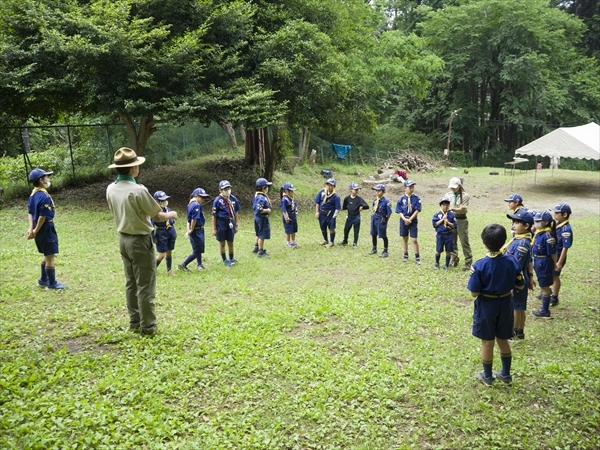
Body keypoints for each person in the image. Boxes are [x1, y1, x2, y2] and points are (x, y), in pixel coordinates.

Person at [106, 147, 178, 336]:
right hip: (140, 241)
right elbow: (158, 215)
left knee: (131, 283)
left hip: (123, 240)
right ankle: (148, 327)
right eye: (136, 165)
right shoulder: (138, 190)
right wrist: (172, 214)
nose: (138, 167)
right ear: (132, 169)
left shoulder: (111, 188)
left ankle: (135, 322)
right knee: (145, 285)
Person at [468, 224, 524, 386]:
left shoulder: (479, 265)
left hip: (486, 306)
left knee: (487, 341)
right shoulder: (512, 261)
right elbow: (520, 285)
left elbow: (474, 293)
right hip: (506, 304)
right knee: (503, 339)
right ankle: (506, 374)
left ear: (484, 242)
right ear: (504, 240)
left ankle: (487, 376)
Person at [27, 168, 67, 290]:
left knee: (46, 253)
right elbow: (42, 216)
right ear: (41, 180)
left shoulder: (33, 194)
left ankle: (43, 280)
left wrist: (31, 228)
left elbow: (30, 212)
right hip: (45, 228)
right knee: (50, 256)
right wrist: (36, 230)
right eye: (46, 177)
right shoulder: (44, 196)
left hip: (39, 229)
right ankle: (52, 283)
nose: (48, 179)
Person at [503, 208, 535, 340]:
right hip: (522, 277)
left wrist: (511, 284)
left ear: (526, 226)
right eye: (513, 222)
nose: (513, 225)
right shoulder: (522, 239)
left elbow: (516, 266)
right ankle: (520, 332)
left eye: (517, 222)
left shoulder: (522, 243)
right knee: (520, 306)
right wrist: (531, 276)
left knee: (516, 307)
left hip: (516, 279)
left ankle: (514, 331)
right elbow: (530, 260)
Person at [530, 211, 557, 318]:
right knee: (543, 283)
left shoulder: (547, 236)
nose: (534, 224)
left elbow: (553, 253)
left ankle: (545, 311)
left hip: (544, 262)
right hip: (537, 260)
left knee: (544, 286)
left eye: (537, 221)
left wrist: (555, 264)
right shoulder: (539, 233)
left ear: (545, 222)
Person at [178, 188, 210, 272]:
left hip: (196, 230)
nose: (203, 199)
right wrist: (191, 230)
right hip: (197, 230)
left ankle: (200, 265)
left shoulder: (190, 204)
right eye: (202, 197)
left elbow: (188, 220)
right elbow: (193, 219)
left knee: (198, 249)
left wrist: (188, 230)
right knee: (197, 251)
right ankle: (183, 265)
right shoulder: (196, 205)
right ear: (196, 196)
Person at [445, 177, 472, 271]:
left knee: (464, 241)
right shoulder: (448, 195)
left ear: (459, 186)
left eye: (455, 187)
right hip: (451, 220)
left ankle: (468, 261)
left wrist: (452, 209)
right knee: (452, 241)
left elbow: (462, 209)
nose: (453, 189)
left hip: (461, 220)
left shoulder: (465, 196)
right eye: (451, 187)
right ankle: (454, 258)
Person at [212, 180, 241, 266]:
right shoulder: (217, 201)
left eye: (228, 188)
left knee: (230, 241)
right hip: (221, 222)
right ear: (220, 190)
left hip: (231, 221)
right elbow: (214, 215)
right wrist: (214, 228)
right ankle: (225, 259)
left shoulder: (233, 199)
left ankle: (231, 258)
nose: (227, 190)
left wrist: (236, 224)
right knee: (222, 242)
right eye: (225, 189)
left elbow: (236, 212)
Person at [551, 203, 573, 307]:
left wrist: (559, 262)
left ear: (564, 215)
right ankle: (547, 291)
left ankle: (554, 297)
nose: (554, 215)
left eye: (557, 213)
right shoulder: (557, 224)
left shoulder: (566, 230)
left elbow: (565, 247)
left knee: (555, 276)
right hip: (553, 255)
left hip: (559, 256)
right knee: (550, 274)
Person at [151, 190, 177, 276]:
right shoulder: (155, 212)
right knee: (161, 255)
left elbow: (172, 220)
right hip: (161, 233)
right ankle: (152, 269)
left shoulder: (168, 209)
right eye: (161, 200)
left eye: (164, 199)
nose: (163, 202)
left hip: (170, 232)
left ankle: (169, 270)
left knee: (169, 252)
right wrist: (153, 237)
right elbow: (151, 225)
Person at [396, 180, 422, 264]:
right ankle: (405, 254)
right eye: (410, 187)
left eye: (412, 187)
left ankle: (417, 256)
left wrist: (410, 219)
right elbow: (399, 211)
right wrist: (404, 219)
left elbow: (417, 210)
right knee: (404, 237)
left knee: (414, 239)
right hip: (403, 220)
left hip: (413, 220)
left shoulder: (417, 199)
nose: (412, 189)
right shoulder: (401, 199)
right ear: (404, 188)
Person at [432, 197, 458, 270]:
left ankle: (446, 265)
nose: (445, 206)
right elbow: (434, 224)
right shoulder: (437, 214)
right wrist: (442, 220)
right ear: (440, 206)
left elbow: (455, 226)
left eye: (447, 205)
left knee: (448, 250)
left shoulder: (451, 215)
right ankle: (437, 263)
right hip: (440, 234)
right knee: (438, 250)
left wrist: (448, 222)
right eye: (443, 205)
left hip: (449, 234)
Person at [341, 183, 369, 248]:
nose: (356, 191)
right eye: (355, 189)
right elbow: (344, 206)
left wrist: (362, 207)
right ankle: (345, 240)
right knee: (346, 229)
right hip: (349, 216)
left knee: (356, 230)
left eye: (357, 190)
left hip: (356, 217)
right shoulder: (347, 198)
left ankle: (355, 243)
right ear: (351, 190)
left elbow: (367, 206)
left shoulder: (359, 199)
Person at [314, 178, 341, 247]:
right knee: (323, 227)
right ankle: (325, 240)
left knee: (331, 228)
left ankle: (332, 242)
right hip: (322, 213)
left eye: (331, 185)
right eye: (327, 185)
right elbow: (317, 202)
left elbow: (337, 208)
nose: (329, 187)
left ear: (334, 187)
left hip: (330, 214)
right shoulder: (322, 192)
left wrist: (333, 217)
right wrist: (317, 212)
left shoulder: (336, 196)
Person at [369, 184, 392, 258]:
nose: (377, 193)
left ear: (383, 192)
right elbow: (373, 208)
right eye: (376, 191)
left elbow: (389, 213)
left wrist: (385, 221)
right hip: (375, 217)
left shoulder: (386, 201)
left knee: (383, 235)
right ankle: (374, 248)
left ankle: (385, 251)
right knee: (373, 233)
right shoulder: (375, 200)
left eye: (379, 191)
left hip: (381, 218)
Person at [252, 177, 273, 258]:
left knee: (258, 233)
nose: (267, 188)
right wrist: (267, 210)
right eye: (266, 187)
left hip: (257, 218)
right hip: (262, 218)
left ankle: (256, 247)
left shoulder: (257, 195)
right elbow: (259, 209)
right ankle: (261, 251)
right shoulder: (261, 197)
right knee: (262, 234)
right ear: (263, 188)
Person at [281, 182, 299, 248]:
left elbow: (295, 206)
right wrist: (286, 217)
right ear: (286, 191)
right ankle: (288, 242)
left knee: (294, 229)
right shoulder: (284, 199)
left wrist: (296, 213)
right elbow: (284, 210)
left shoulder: (292, 198)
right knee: (288, 230)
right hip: (288, 216)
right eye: (291, 191)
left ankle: (293, 241)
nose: (292, 192)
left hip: (293, 215)